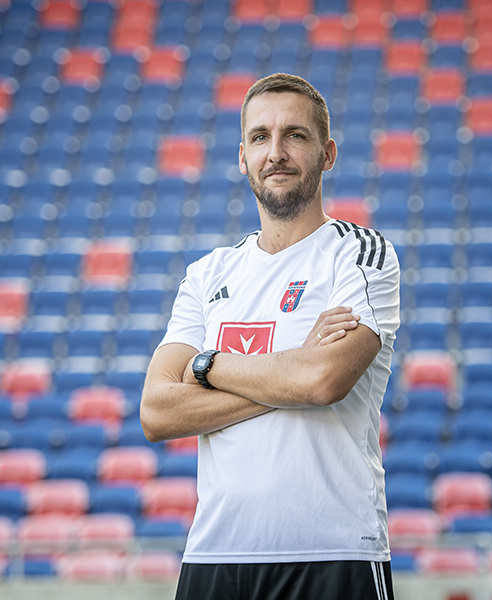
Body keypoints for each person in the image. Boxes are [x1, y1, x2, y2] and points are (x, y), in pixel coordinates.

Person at [141, 72, 400, 600]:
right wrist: (291, 372)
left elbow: (323, 380)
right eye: (260, 137)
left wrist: (207, 366)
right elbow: (157, 411)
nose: (276, 152)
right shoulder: (207, 274)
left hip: (334, 553)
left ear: (328, 154)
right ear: (243, 157)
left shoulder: (360, 254)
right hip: (215, 556)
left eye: (295, 135)